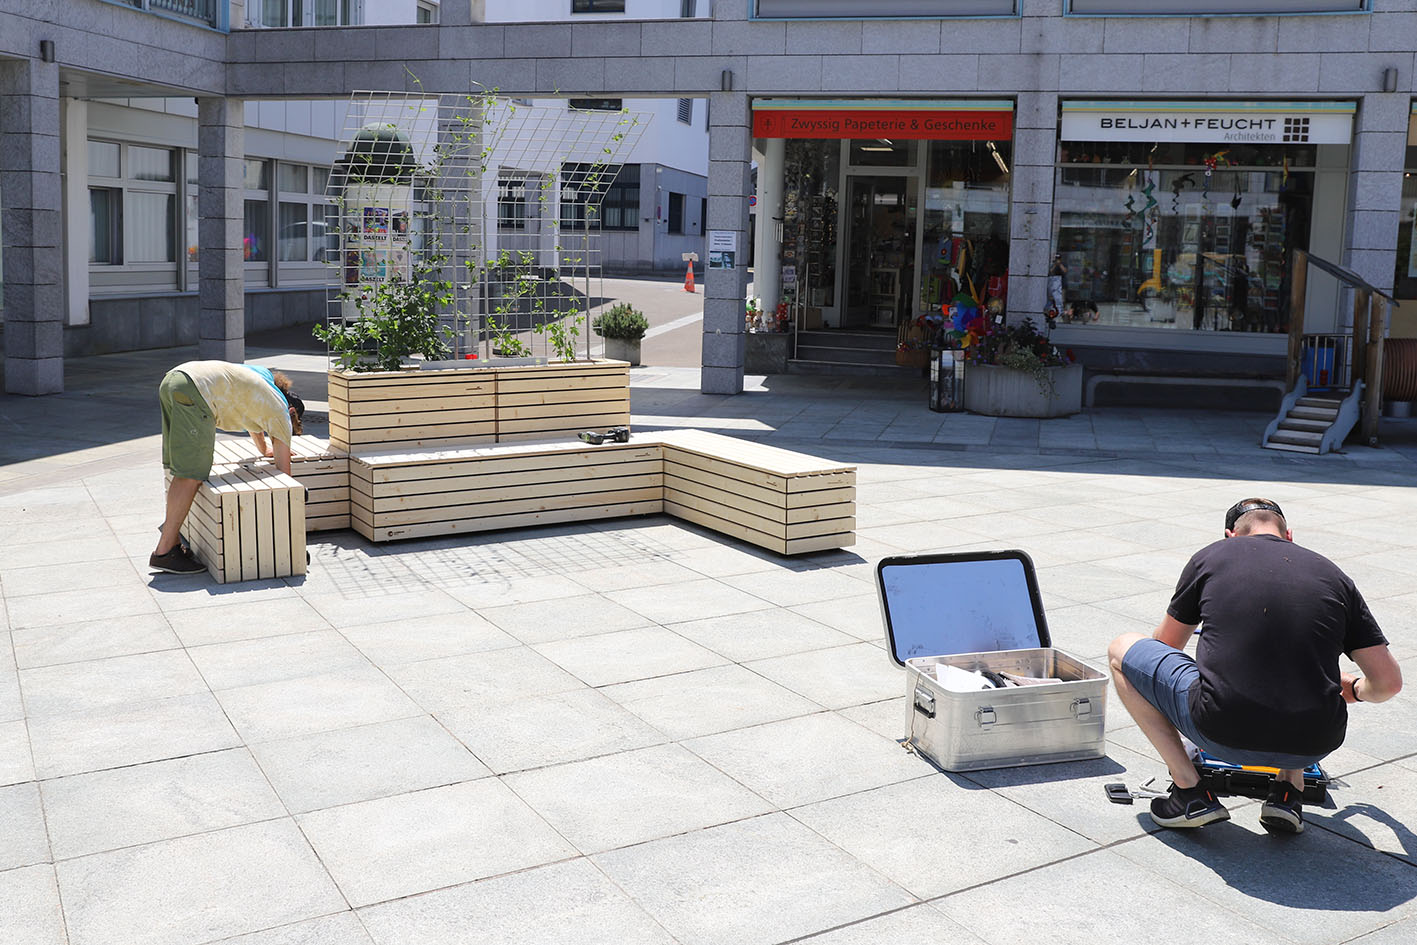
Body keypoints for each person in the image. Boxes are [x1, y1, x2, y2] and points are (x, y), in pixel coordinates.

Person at [1108, 498, 1401, 834]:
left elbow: (1166, 647)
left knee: (1122, 651)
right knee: (1301, 676)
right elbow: (1389, 683)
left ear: (1230, 535)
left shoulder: (1213, 556)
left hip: (1220, 729)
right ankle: (1288, 792)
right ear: (1288, 535)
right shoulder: (1335, 576)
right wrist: (1355, 690)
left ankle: (1189, 790)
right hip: (1316, 740)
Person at [151, 360, 305, 574]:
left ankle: (173, 541)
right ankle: (165, 552)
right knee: (191, 475)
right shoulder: (280, 410)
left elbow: (255, 426)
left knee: (180, 468)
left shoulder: (261, 381)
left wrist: (265, 450)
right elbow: (284, 477)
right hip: (196, 391)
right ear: (291, 411)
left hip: (175, 378)